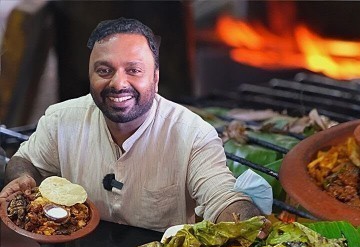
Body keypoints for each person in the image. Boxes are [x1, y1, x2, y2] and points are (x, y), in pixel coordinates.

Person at [0, 18, 261, 232]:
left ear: (155, 78)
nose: (118, 83)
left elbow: (221, 196)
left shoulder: (193, 135)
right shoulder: (61, 120)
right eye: (104, 70)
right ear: (90, 75)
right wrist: (23, 178)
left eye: (134, 70)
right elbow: (25, 160)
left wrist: (248, 223)